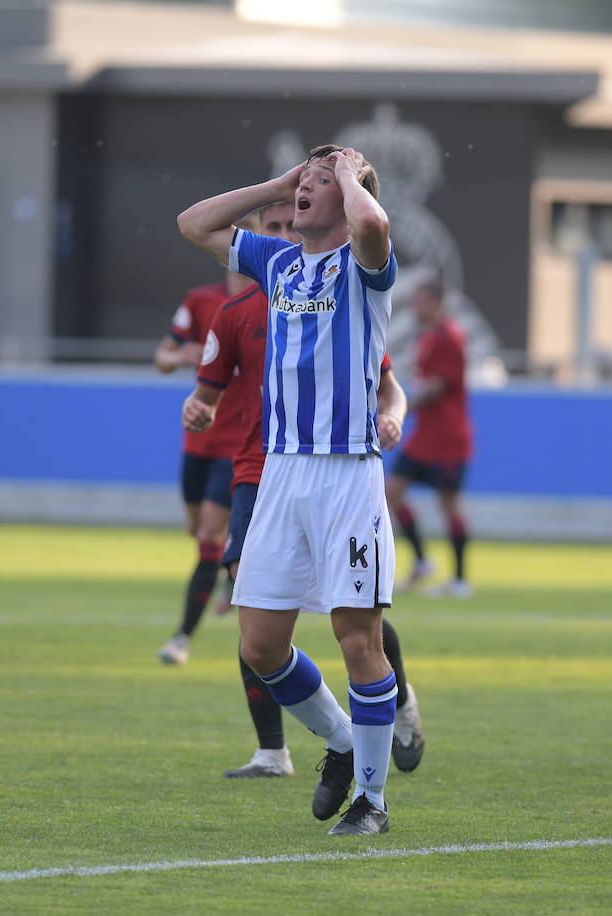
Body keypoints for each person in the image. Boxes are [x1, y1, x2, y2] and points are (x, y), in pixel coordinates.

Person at [179, 144, 398, 836]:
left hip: (346, 474)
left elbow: (371, 229)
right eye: (302, 180)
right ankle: (338, 741)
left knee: (356, 638)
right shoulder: (276, 264)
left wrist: (352, 177)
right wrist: (279, 181)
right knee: (261, 646)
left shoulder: (364, 265)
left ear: (350, 194)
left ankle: (372, 800)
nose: (303, 191)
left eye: (317, 183)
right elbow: (193, 224)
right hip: (280, 472)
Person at [152, 269, 252, 665]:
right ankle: (231, 569)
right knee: (198, 530)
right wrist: (180, 355)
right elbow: (162, 357)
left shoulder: (272, 302)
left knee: (210, 532)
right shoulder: (200, 301)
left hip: (238, 444)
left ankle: (181, 638)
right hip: (198, 439)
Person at [386, 275, 474, 598]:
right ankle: (423, 561)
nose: (414, 305)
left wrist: (401, 407)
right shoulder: (427, 337)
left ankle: (461, 579)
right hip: (425, 438)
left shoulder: (449, 337)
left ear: (436, 303)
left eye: (421, 299)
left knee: (449, 504)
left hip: (449, 439)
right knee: (391, 491)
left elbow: (438, 387)